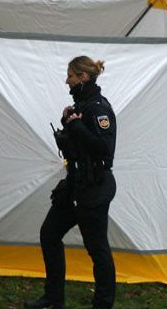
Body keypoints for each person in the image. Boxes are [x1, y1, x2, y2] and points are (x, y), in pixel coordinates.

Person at [25, 56, 117, 309]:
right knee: (49, 234)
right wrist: (68, 124)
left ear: (83, 77)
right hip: (75, 184)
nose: (67, 80)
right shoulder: (82, 106)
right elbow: (75, 147)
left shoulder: (98, 108)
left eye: (71, 76)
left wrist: (77, 127)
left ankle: (103, 304)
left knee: (97, 248)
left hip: (95, 187)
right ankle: (54, 299)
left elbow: (104, 148)